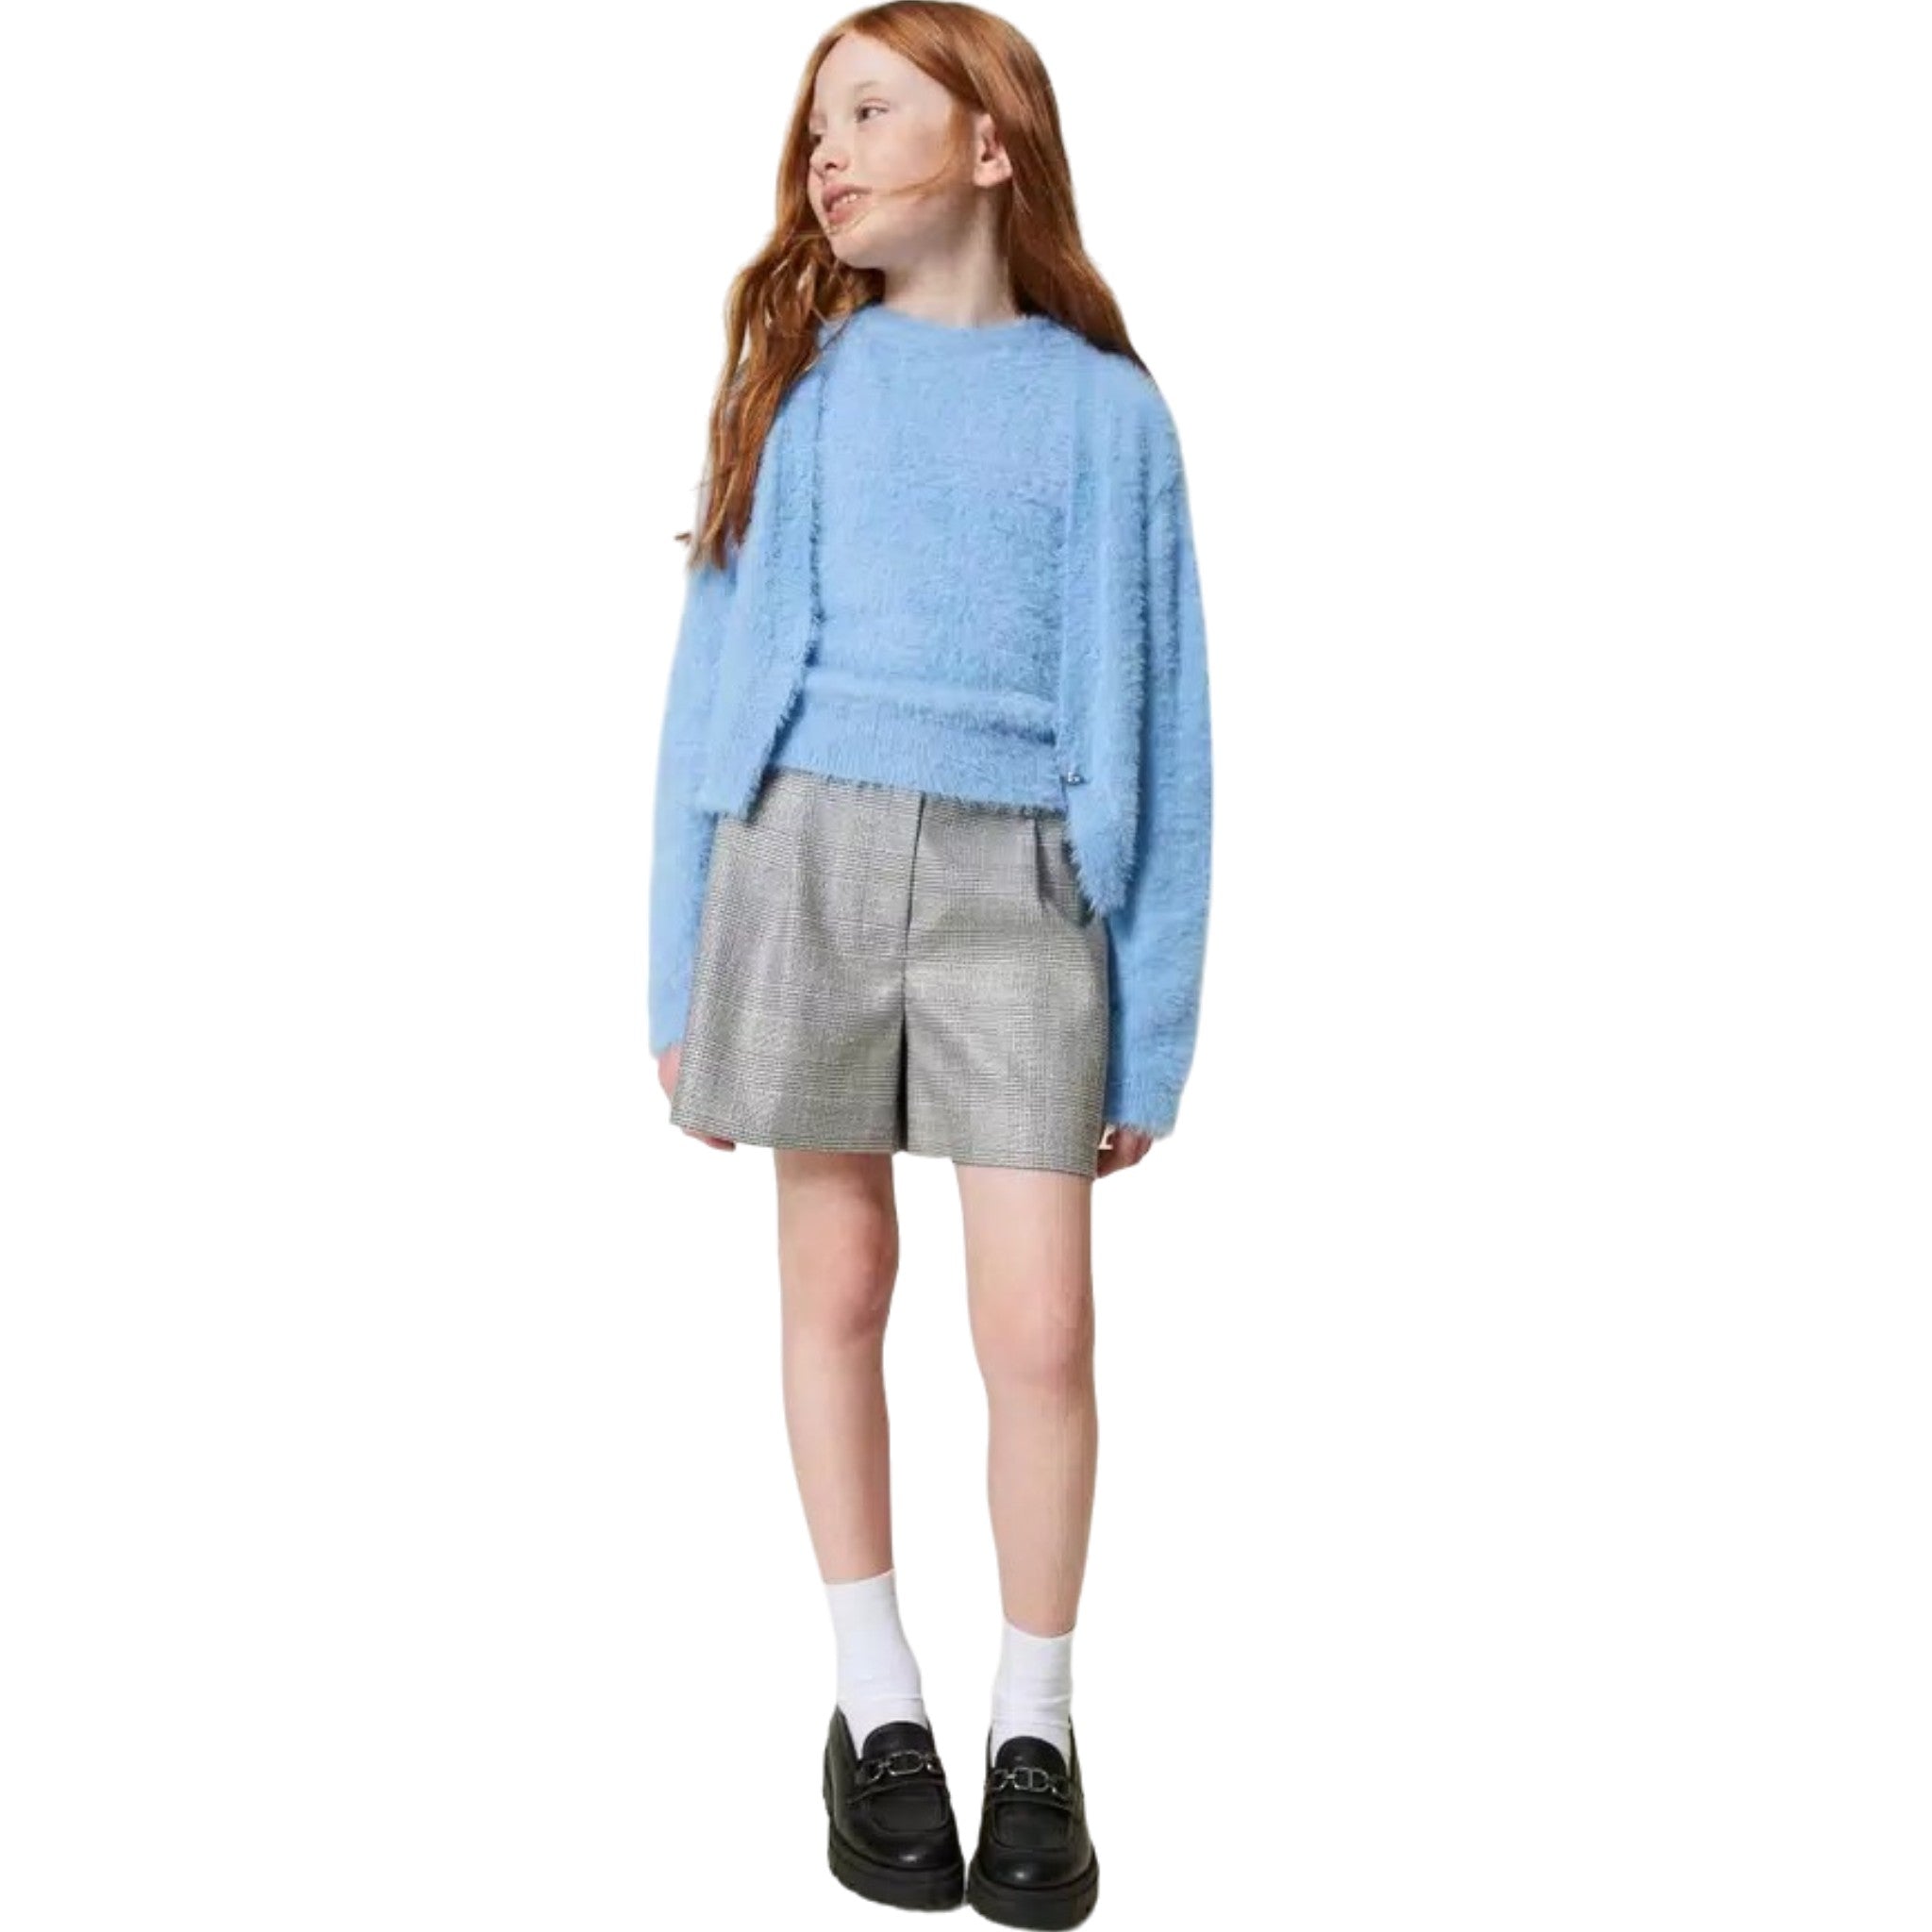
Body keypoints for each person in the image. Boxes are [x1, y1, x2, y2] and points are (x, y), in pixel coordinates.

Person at [646, 7, 1213, 1924]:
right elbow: (707, 687)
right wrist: (676, 971)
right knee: (839, 1282)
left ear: (991, 146)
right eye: (815, 122)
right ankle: (874, 1697)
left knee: (1040, 1329)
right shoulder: (798, 391)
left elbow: (1171, 727)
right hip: (799, 852)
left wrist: (1153, 1019)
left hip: (1023, 881)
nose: (827, 149)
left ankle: (1033, 1722)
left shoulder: (1108, 415)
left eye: (871, 110)